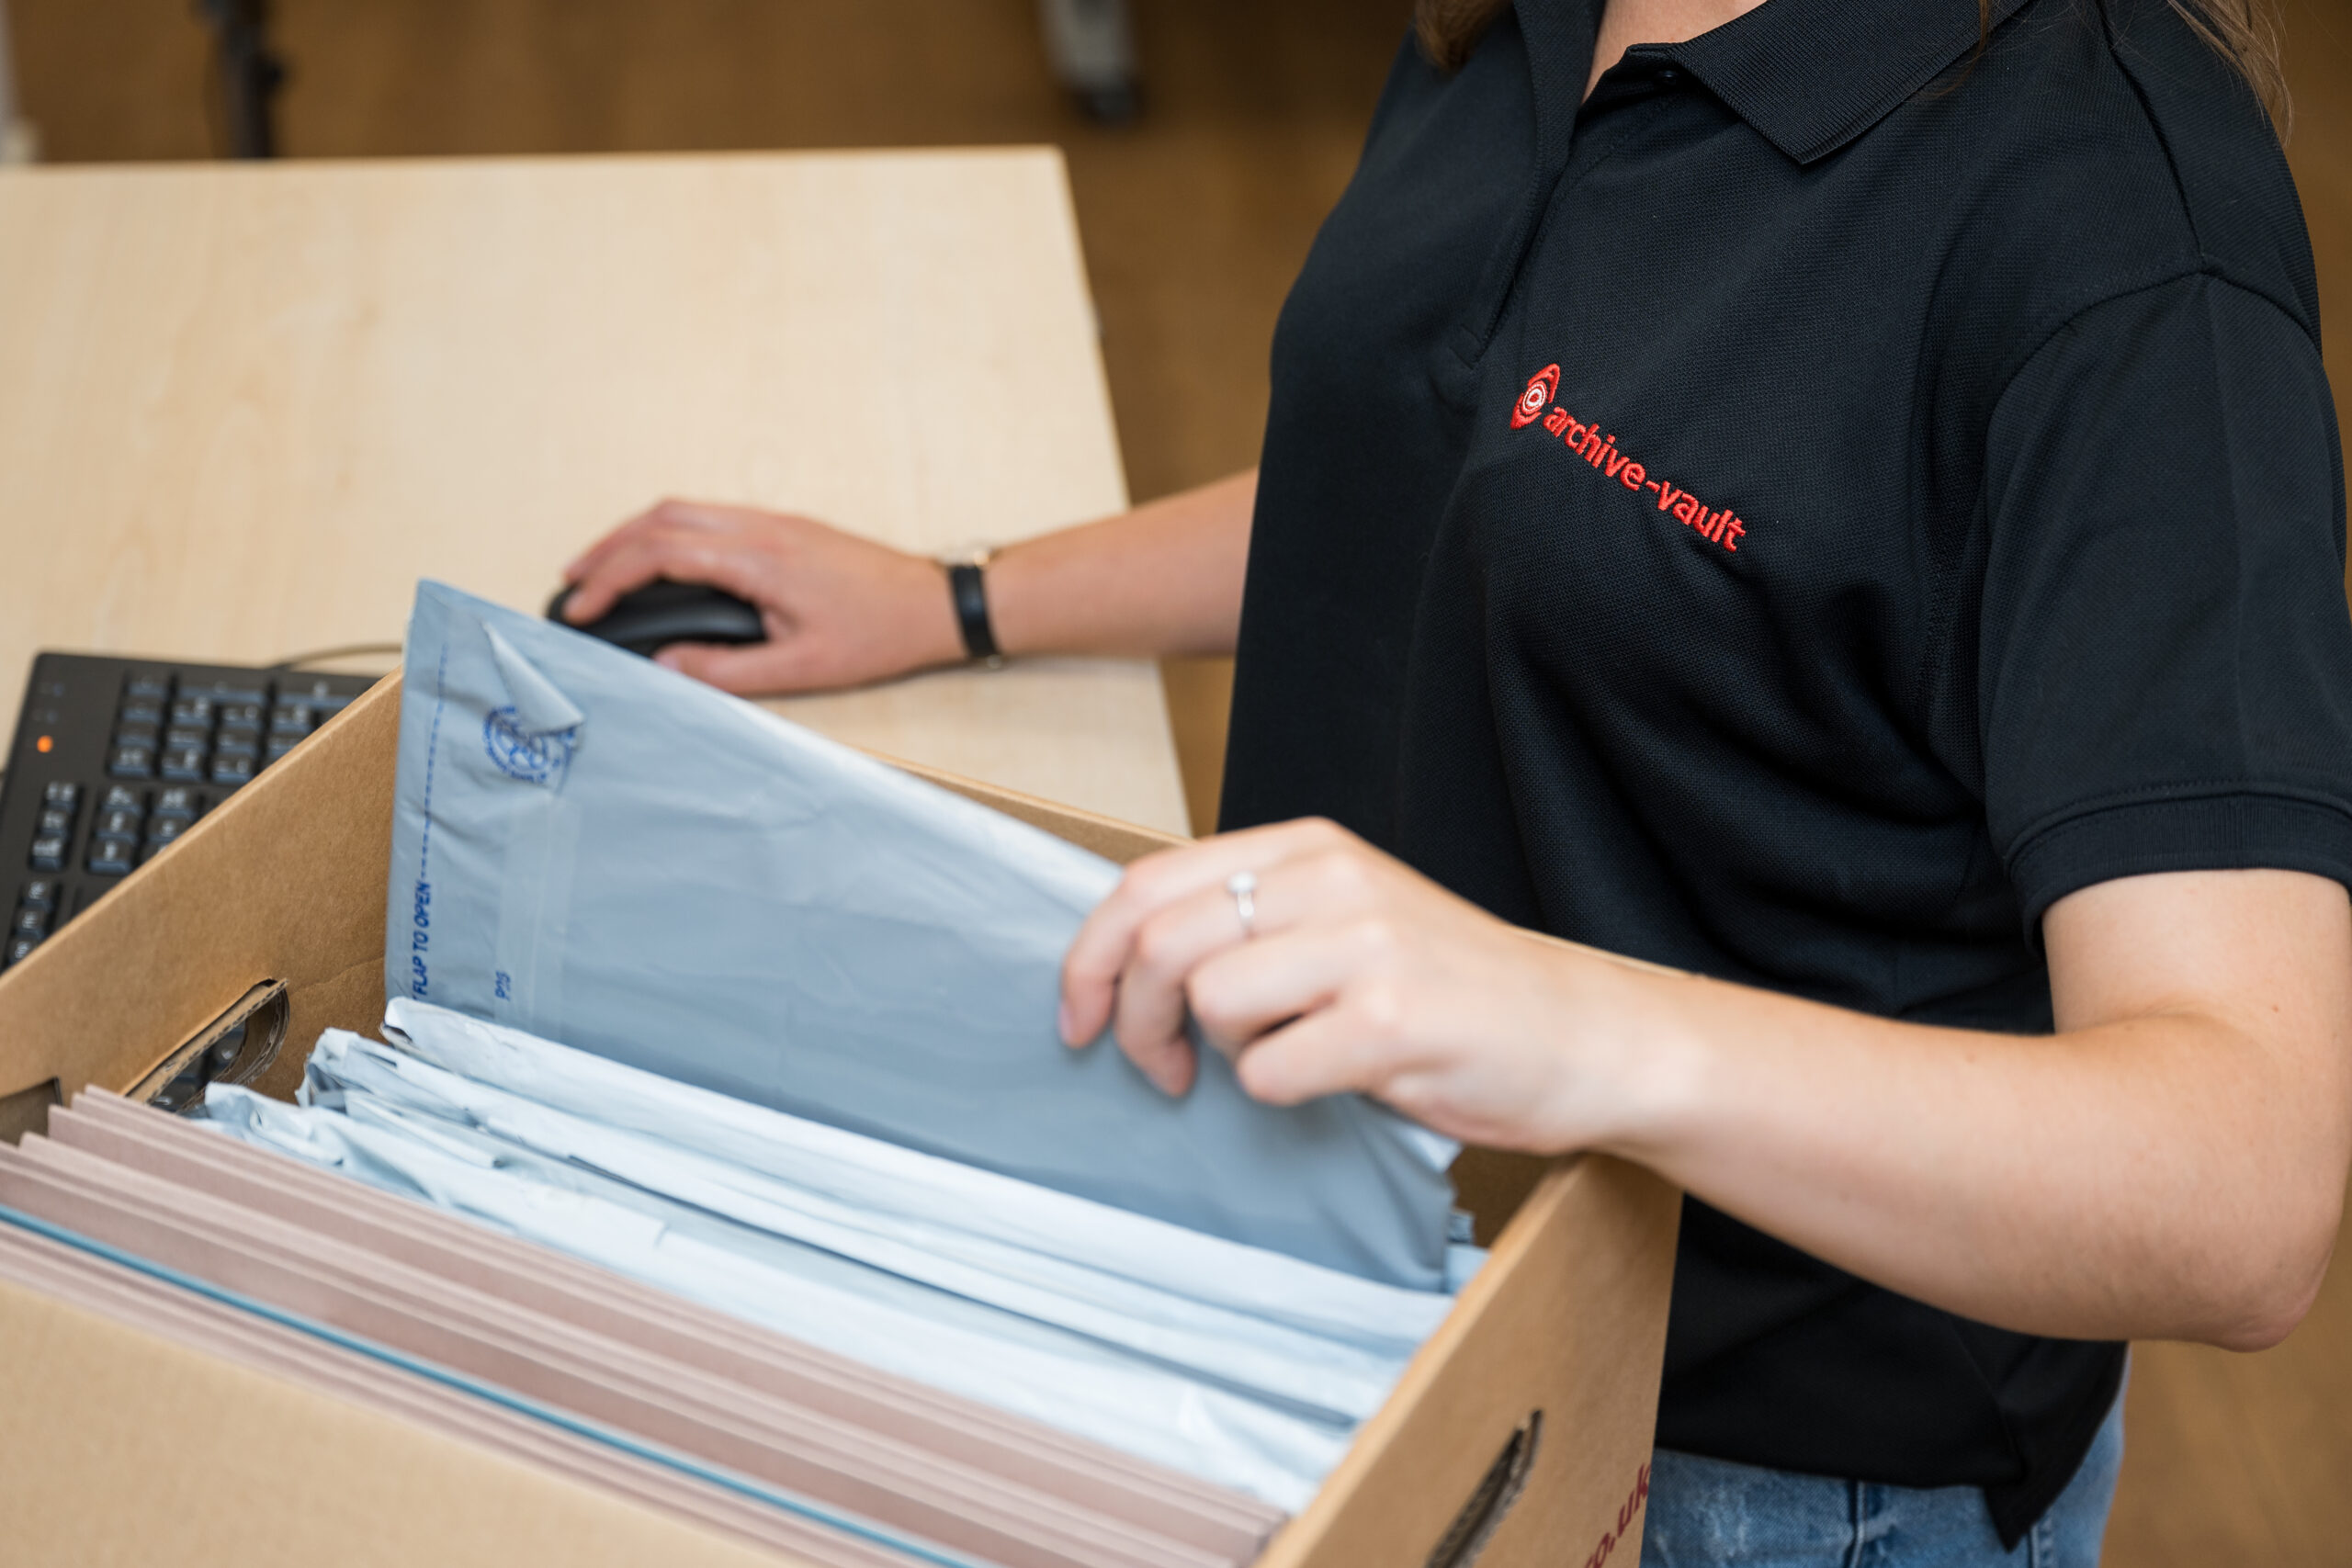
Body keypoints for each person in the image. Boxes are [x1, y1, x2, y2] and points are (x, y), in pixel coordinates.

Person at [559, 0, 2352, 1561]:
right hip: (1358, 1292)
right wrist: (961, 595)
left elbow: (2242, 1183)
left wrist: (1554, 1019)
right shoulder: (1524, 19)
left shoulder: (2122, 237)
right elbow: (1489, 463)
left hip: (1761, 1472)